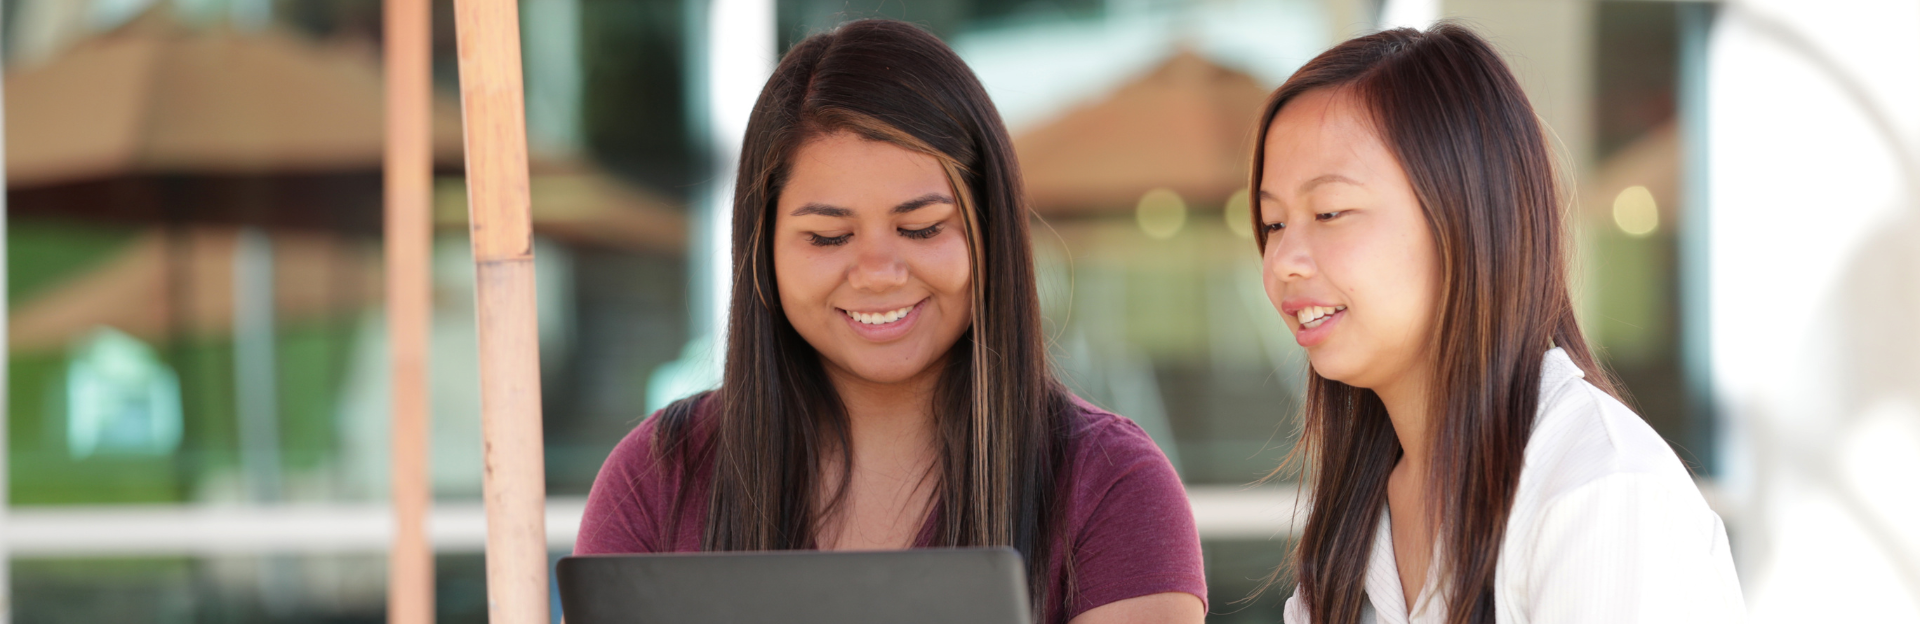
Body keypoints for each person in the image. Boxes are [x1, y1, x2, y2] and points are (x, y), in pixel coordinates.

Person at [575, 19, 1206, 624]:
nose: (878, 272)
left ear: (991, 233)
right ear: (763, 251)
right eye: (828, 237)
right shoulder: (658, 477)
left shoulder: (1113, 486)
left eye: (922, 228)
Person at [1248, 24, 1744, 624]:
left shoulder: (1600, 490)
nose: (1283, 261)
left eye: (1330, 212)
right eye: (1273, 224)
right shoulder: (1357, 515)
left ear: (1462, 216)